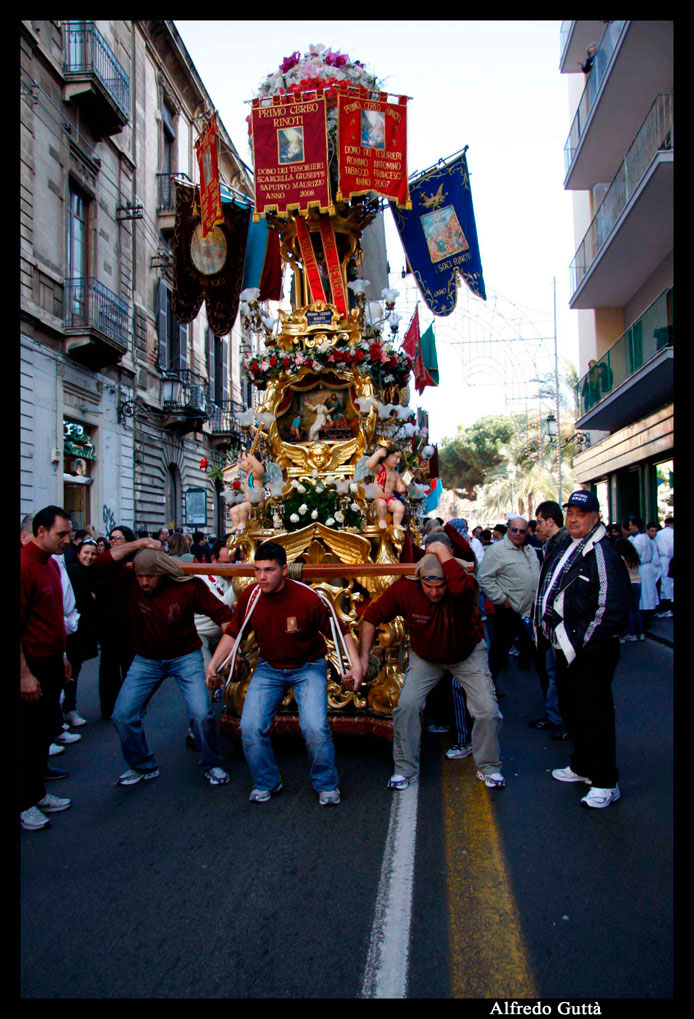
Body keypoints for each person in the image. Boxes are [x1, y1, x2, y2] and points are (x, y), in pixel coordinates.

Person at [206, 541, 363, 806]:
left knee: (314, 727)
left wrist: (356, 666)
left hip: (308, 667)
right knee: (250, 727)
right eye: (257, 570)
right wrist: (213, 664)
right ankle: (267, 781)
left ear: (284, 570)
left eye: (268, 570)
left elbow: (341, 632)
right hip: (270, 668)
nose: (261, 577)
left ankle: (326, 783)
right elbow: (233, 633)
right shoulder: (251, 597)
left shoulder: (308, 598)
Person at [359, 541, 505, 789]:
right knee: (406, 706)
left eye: (440, 586)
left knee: (487, 710)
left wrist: (440, 549)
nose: (435, 592)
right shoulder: (405, 589)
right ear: (419, 580)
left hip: (466, 654)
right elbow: (370, 618)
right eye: (429, 586)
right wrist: (363, 658)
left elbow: (459, 585)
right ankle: (405, 769)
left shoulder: (463, 586)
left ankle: (489, 767)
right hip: (427, 657)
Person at [102, 538, 235, 787]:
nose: (144, 582)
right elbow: (101, 563)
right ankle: (142, 765)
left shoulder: (187, 586)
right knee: (122, 714)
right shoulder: (131, 584)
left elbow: (222, 613)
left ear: (162, 572)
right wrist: (138, 544)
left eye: (150, 576)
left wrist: (229, 652)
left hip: (185, 656)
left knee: (201, 713)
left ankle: (212, 763)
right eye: (140, 576)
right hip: (147, 660)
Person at [539, 490, 630, 809]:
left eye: (581, 513)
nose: (574, 518)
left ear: (595, 518)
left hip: (588, 651)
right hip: (566, 647)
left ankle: (606, 781)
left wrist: (583, 647)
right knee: (573, 710)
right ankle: (582, 766)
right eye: (571, 512)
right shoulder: (571, 544)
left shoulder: (602, 552)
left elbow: (609, 608)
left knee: (594, 714)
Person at [20, 506, 75, 830]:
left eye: (69, 533)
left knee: (42, 734)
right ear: (41, 532)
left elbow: (53, 617)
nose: (67, 539)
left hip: (53, 660)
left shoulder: (52, 565)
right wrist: (24, 674)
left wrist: (64, 657)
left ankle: (35, 792)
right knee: (26, 737)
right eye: (62, 534)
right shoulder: (24, 565)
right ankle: (24, 802)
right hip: (32, 664)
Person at [478, 516, 547, 699]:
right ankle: (488, 691)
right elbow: (484, 578)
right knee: (499, 653)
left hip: (529, 612)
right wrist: (501, 599)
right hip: (507, 612)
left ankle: (549, 697)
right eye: (514, 530)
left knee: (538, 654)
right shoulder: (497, 550)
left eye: (522, 531)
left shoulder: (530, 549)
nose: (517, 534)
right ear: (508, 529)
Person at [529, 501, 571, 734]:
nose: (537, 528)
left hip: (559, 623)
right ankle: (555, 715)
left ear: (550, 521)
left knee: (558, 674)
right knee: (552, 672)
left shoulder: (563, 545)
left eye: (539, 522)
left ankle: (561, 719)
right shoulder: (552, 545)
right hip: (550, 622)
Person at [91, 525, 138, 720]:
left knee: (129, 665)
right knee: (109, 666)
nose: (114, 541)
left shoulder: (134, 562)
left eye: (118, 538)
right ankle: (109, 707)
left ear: (128, 541)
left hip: (129, 620)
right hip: (108, 620)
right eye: (112, 538)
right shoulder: (105, 561)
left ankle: (128, 704)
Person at [63, 538, 100, 726]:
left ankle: (69, 708)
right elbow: (84, 596)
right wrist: (89, 595)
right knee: (69, 670)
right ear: (78, 553)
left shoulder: (90, 571)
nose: (90, 556)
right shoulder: (74, 570)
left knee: (74, 670)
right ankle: (68, 709)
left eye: (93, 553)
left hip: (82, 629)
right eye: (86, 552)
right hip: (72, 630)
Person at [367, 443, 408, 530]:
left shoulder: (395, 474)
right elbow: (370, 464)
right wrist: (378, 453)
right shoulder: (380, 469)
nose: (398, 461)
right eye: (396, 457)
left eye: (399, 458)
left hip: (390, 499)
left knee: (400, 507)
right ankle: (382, 519)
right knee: (382, 504)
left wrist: (401, 488)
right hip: (379, 499)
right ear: (386, 457)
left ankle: (396, 524)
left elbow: (398, 486)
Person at [628, 516, 659, 626]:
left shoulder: (639, 539)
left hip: (642, 569)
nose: (629, 527)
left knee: (644, 596)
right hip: (647, 568)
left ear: (635, 526)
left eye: (630, 525)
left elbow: (636, 555)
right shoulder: (645, 537)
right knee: (647, 595)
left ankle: (643, 621)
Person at [614, 538, 643, 642]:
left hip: (629, 584)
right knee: (637, 609)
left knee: (629, 610)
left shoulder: (621, 558)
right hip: (638, 582)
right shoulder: (634, 556)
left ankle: (631, 633)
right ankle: (640, 633)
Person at [654, 517, 673, 616]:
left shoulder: (659, 534)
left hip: (660, 559)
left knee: (662, 582)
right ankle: (668, 606)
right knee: (669, 583)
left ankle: (662, 606)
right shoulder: (672, 533)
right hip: (669, 559)